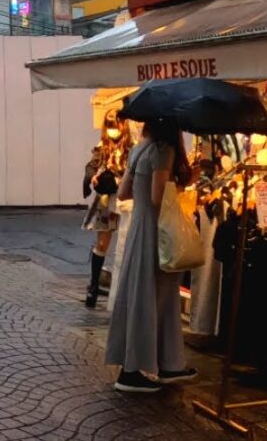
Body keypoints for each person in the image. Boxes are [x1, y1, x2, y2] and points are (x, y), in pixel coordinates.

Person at [106, 118, 198, 393]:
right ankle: (134, 371)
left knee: (144, 295)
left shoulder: (139, 149)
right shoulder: (164, 150)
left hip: (138, 228)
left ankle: (167, 363)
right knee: (158, 297)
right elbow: (160, 197)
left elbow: (123, 192)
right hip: (157, 233)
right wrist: (186, 182)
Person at [81, 115, 131, 308]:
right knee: (102, 242)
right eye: (109, 127)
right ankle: (93, 285)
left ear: (122, 126)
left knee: (126, 243)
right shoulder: (103, 146)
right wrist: (92, 177)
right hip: (106, 199)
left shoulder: (131, 147)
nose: (112, 130)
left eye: (115, 126)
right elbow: (91, 165)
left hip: (126, 197)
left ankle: (121, 287)